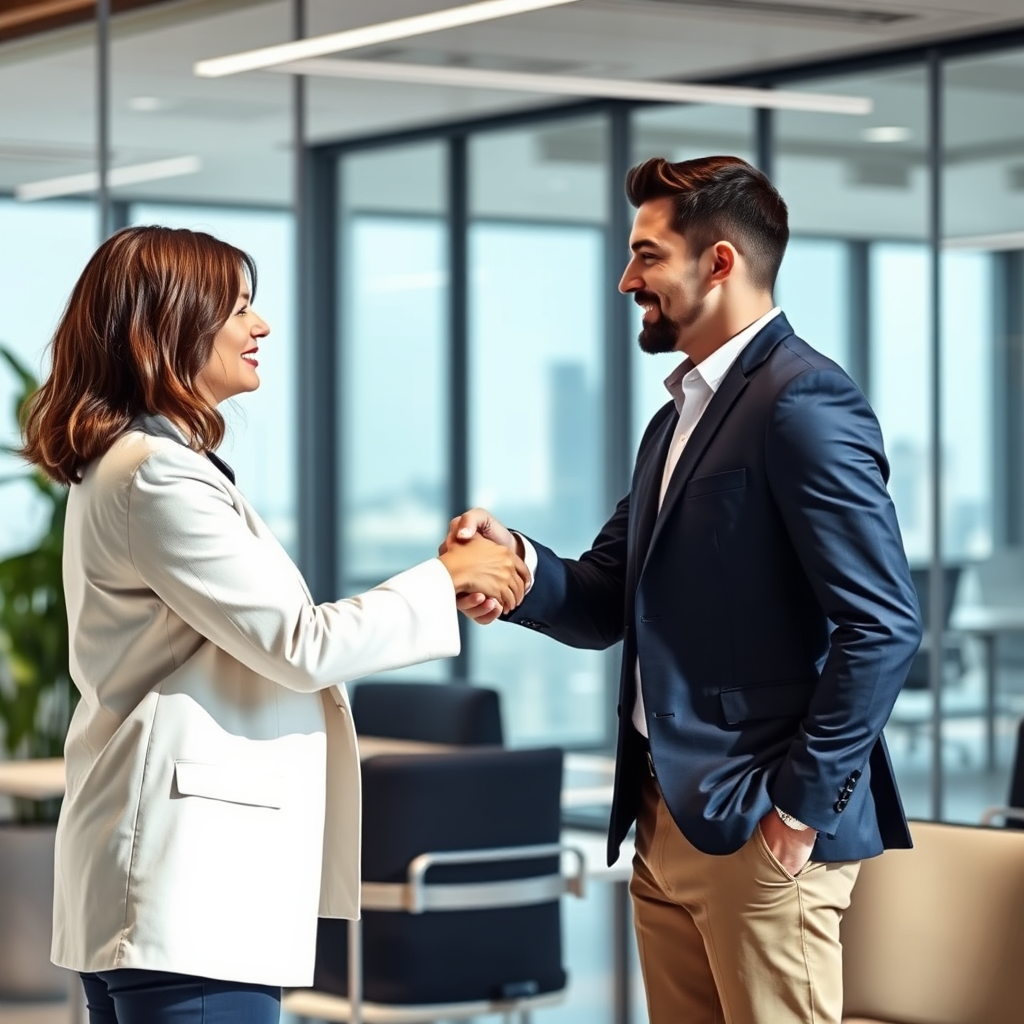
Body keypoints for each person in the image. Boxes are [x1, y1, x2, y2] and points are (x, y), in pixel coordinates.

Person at [443, 156, 922, 1024]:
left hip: (758, 826)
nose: (627, 280)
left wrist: (796, 815)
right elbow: (606, 597)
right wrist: (518, 567)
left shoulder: (803, 400)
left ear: (720, 262)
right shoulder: (678, 418)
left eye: (647, 255)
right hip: (664, 820)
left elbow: (883, 625)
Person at [19, 225, 529, 1024]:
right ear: (170, 325)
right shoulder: (156, 476)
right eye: (239, 309)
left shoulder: (143, 465)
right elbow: (302, 644)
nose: (260, 326)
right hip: (188, 901)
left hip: (169, 892)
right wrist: (445, 580)